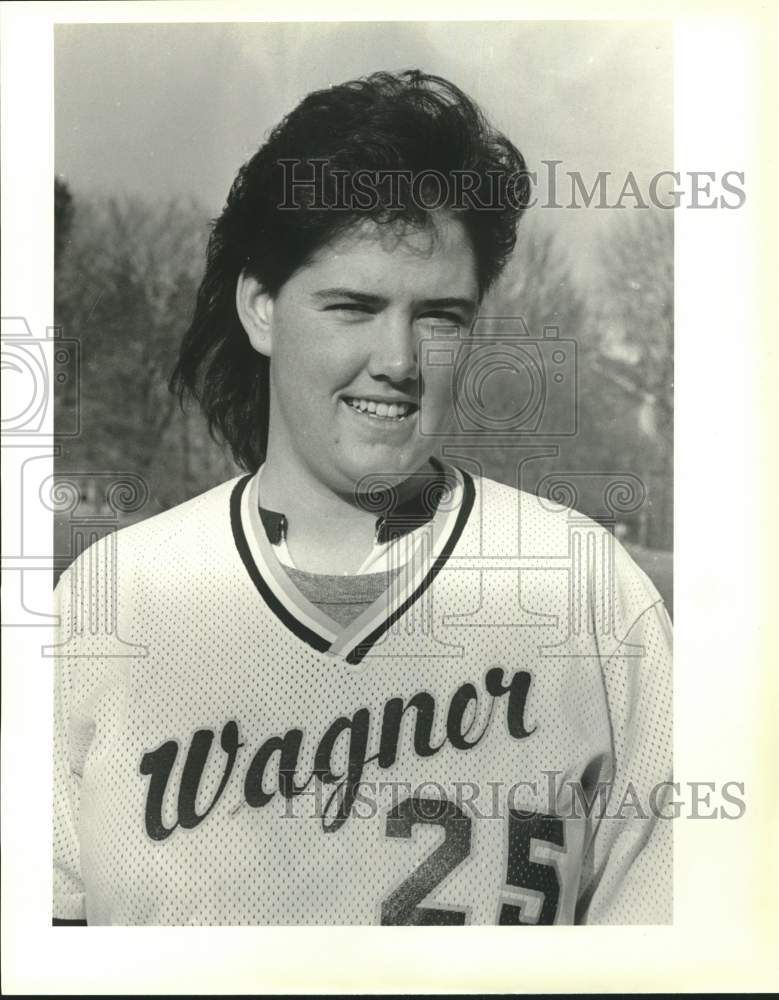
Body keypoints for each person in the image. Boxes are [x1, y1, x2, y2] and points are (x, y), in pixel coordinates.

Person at [53, 70, 672, 926]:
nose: (399, 360)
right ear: (261, 308)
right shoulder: (109, 599)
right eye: (353, 305)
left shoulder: (587, 593)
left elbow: (674, 951)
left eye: (440, 316)